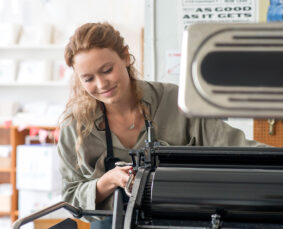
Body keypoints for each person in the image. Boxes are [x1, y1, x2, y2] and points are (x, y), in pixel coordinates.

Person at [57, 22, 265, 225]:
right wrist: (108, 181)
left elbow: (234, 145)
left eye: (107, 70)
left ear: (126, 57)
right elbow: (70, 196)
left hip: (177, 221)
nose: (101, 84)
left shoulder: (175, 100)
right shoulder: (74, 126)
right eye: (88, 78)